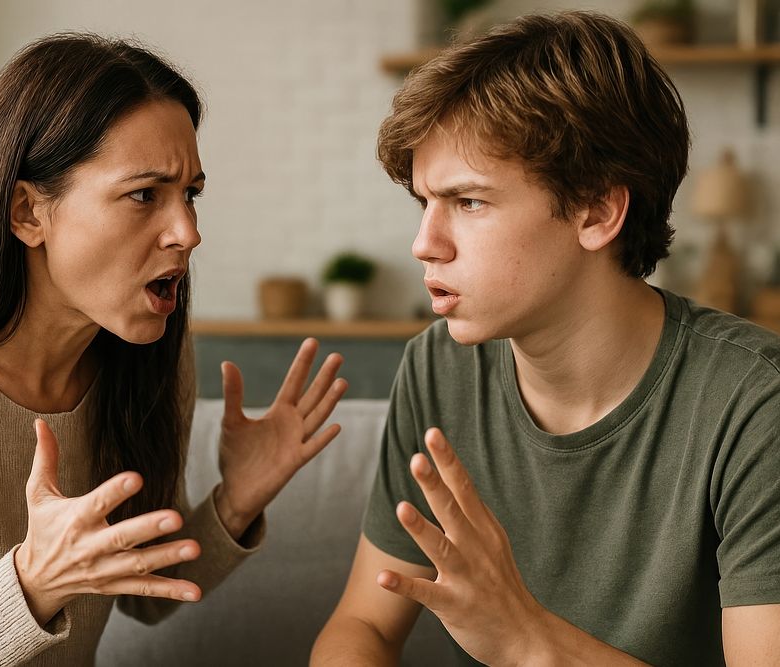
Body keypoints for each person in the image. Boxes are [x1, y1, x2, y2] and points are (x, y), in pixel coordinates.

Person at [0, 34, 347, 665]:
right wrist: (31, 583)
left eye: (191, 193)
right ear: (27, 212)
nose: (188, 232)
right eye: (144, 195)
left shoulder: (144, 349)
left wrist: (237, 499)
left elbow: (142, 590)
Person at [313, 11, 780, 666]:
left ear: (597, 210)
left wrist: (526, 638)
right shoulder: (439, 364)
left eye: (468, 202)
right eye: (426, 203)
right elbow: (361, 624)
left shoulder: (756, 403)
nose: (425, 243)